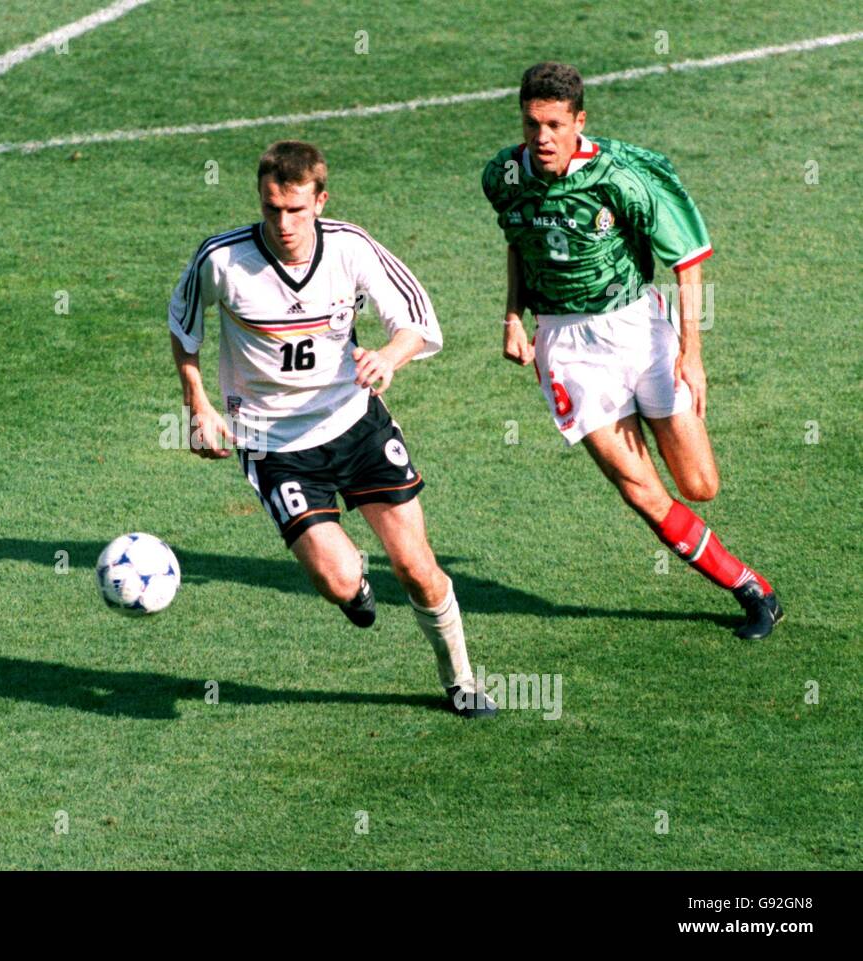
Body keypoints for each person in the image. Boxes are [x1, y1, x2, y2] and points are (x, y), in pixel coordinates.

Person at [168, 140, 496, 718]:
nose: (283, 223)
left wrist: (389, 358)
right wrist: (197, 403)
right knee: (341, 582)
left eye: (296, 209)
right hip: (275, 444)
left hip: (354, 424)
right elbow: (184, 326)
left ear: (320, 200)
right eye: (272, 208)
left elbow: (414, 321)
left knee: (417, 568)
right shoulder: (220, 260)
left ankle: (462, 680)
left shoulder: (352, 248)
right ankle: (355, 588)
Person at [481, 62, 782, 638]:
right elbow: (520, 242)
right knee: (640, 490)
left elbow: (688, 258)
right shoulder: (504, 177)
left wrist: (691, 354)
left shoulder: (622, 175)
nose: (541, 138)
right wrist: (513, 316)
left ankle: (660, 417)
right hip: (565, 346)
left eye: (553, 124)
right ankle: (752, 588)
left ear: (579, 121)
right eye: (530, 124)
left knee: (699, 486)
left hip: (637, 331)